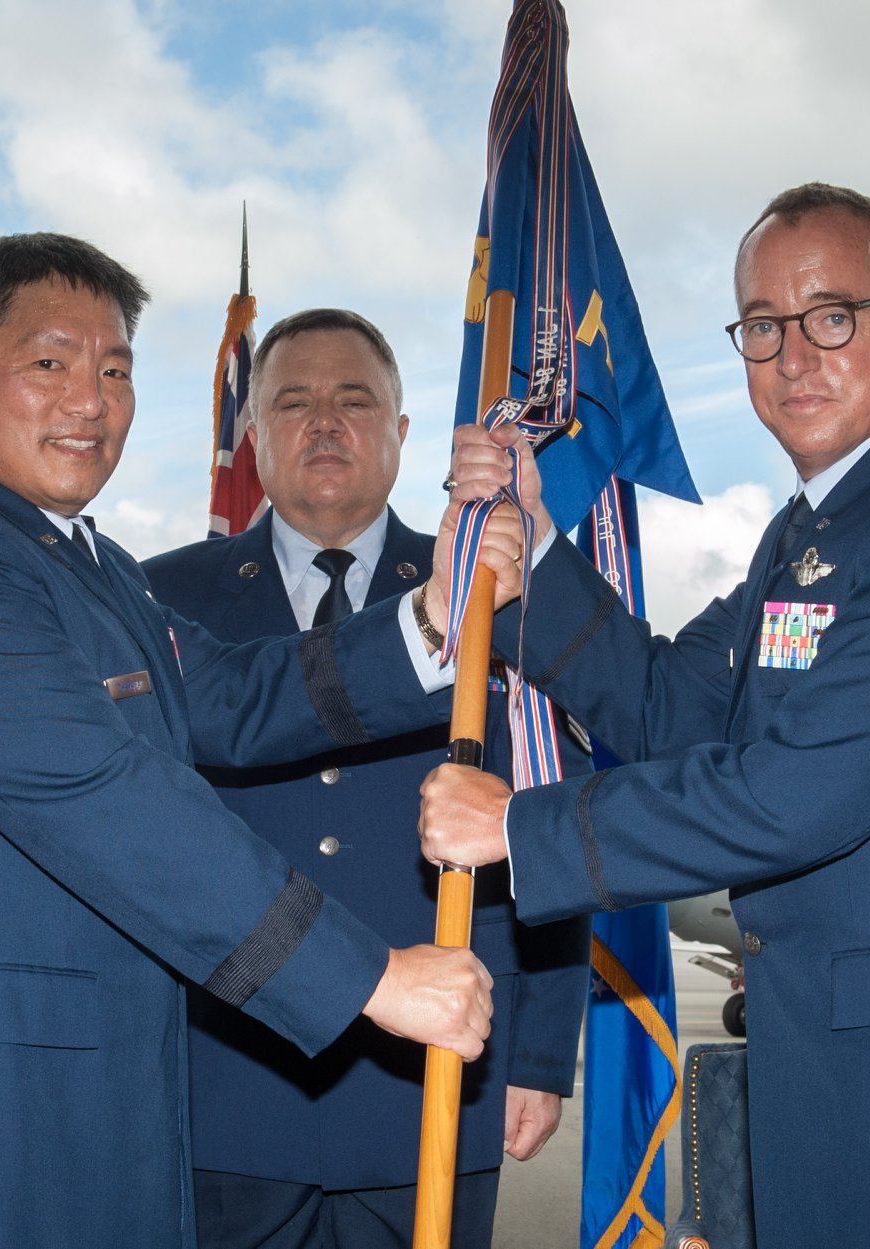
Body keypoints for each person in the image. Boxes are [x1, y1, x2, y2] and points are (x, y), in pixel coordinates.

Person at [0, 234, 533, 1249]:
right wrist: (373, 979)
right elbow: (107, 797)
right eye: (49, 364)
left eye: (115, 369)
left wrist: (433, 615)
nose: (90, 400)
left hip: (94, 1108)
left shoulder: (87, 565)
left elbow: (229, 692)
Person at [425, 184, 870, 1249]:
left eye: (830, 316)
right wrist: (533, 551)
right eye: (761, 325)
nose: (791, 355)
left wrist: (522, 827)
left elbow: (797, 790)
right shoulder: (814, 533)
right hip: (841, 1073)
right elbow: (678, 706)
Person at [143, 309, 589, 1249]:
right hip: (226, 1080)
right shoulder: (158, 600)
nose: (326, 422)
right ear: (253, 435)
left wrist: (540, 1051)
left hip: (433, 1077)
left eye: (355, 400)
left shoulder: (492, 589)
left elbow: (550, 817)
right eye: (294, 402)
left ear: (402, 433)